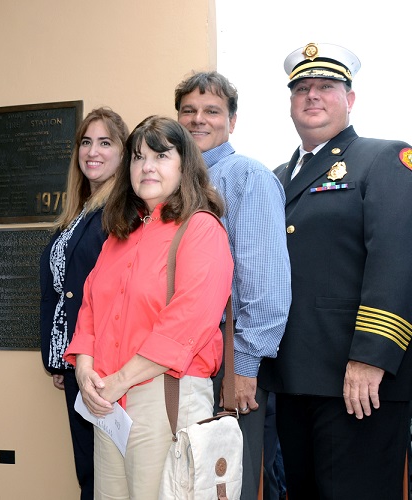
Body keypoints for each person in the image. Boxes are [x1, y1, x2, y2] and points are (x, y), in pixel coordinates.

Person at [260, 42, 412, 499]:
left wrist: (371, 357)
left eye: (326, 86)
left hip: (359, 381)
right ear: (290, 104)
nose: (312, 96)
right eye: (302, 88)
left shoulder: (385, 159)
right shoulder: (277, 176)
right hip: (292, 379)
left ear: (350, 99)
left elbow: (397, 258)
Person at [64, 115, 233, 499]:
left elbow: (187, 323)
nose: (147, 166)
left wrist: (118, 381)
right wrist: (86, 372)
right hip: (109, 401)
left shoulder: (201, 228)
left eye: (161, 155)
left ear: (184, 164)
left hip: (164, 395)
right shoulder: (122, 235)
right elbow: (90, 308)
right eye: (138, 157)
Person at [174, 71, 291, 500]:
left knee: (227, 482)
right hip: (180, 358)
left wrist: (244, 368)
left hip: (230, 362)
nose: (198, 120)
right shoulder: (171, 184)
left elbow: (265, 282)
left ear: (232, 120)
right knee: (185, 479)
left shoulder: (248, 178)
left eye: (211, 111)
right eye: (188, 110)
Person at [39, 107, 128, 500]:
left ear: (124, 153)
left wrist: (81, 360)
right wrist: (59, 359)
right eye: (86, 142)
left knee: (103, 474)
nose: (93, 151)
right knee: (89, 470)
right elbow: (64, 290)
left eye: (105, 142)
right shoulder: (78, 212)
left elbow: (118, 294)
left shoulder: (122, 211)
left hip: (103, 368)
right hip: (76, 363)